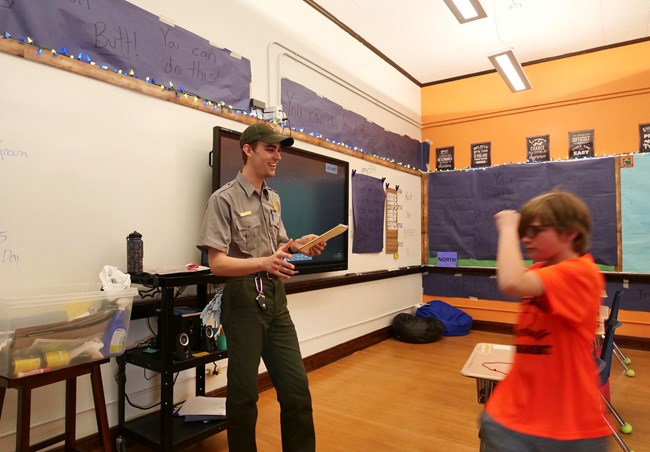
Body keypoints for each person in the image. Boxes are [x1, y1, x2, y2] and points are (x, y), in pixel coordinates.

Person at [197, 122, 325, 451]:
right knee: (243, 396)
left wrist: (299, 245)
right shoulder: (222, 199)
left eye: (279, 150)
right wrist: (263, 263)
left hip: (275, 301)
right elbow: (217, 263)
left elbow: (278, 246)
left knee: (296, 390)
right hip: (241, 302)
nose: (277, 156)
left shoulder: (273, 199)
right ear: (248, 149)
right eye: (270, 149)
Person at [479, 189, 611, 451]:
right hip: (509, 416)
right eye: (523, 232)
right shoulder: (541, 269)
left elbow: (511, 282)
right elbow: (515, 275)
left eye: (535, 231)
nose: (526, 239)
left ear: (570, 232)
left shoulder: (581, 272)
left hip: (567, 426)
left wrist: (507, 228)